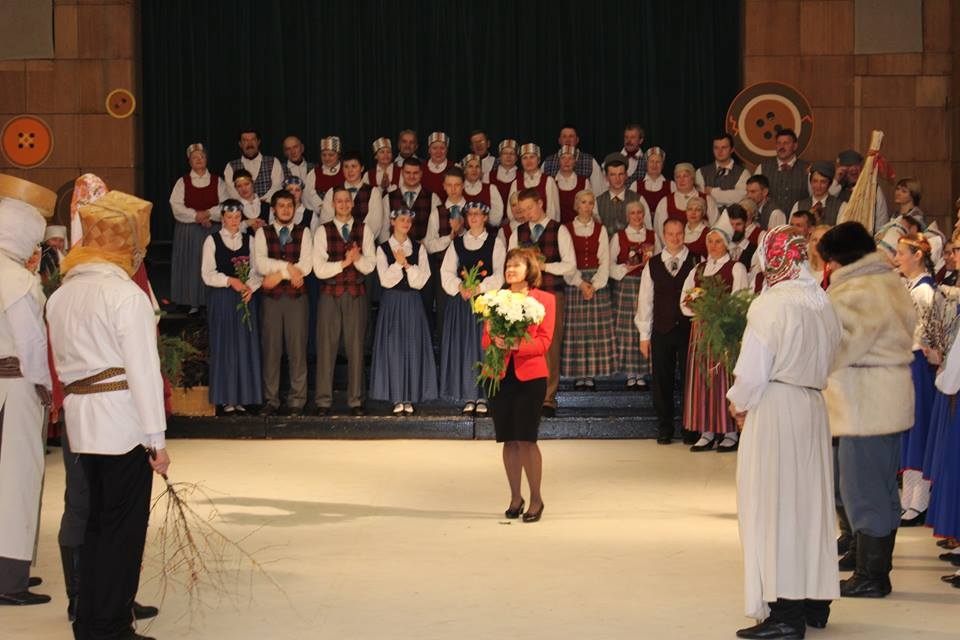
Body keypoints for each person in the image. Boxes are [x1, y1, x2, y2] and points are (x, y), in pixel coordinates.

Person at [48, 188, 169, 640]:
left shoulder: (62, 295)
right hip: (122, 427)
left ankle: (91, 621)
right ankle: (113, 625)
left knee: (96, 525)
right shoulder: (125, 296)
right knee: (122, 531)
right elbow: (142, 370)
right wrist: (156, 440)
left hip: (81, 425)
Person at [728, 225, 842, 640]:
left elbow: (753, 371)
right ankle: (815, 600)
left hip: (776, 408)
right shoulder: (821, 302)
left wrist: (738, 402)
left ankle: (786, 613)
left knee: (775, 504)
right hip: (812, 406)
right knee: (809, 504)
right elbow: (833, 354)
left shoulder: (770, 305)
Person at [818, 221, 915, 598]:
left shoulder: (859, 291)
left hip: (865, 402)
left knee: (863, 489)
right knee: (881, 486)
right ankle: (868, 561)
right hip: (884, 397)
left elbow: (839, 346)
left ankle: (872, 575)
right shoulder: (887, 281)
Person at [0, 176, 54, 607]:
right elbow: (32, 346)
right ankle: (10, 578)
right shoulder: (17, 282)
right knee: (16, 480)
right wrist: (47, 389)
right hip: (15, 390)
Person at [483, 247, 556, 523]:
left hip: (531, 375)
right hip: (500, 373)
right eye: (508, 265)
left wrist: (516, 344)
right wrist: (495, 339)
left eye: (517, 265)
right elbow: (485, 340)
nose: (510, 269)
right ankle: (516, 497)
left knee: (526, 438)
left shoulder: (545, 300)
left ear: (530, 270)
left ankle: (536, 499)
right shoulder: (496, 299)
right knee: (508, 439)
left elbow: (544, 342)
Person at [680, 213, 749, 452]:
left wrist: (722, 314)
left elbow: (740, 300)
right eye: (710, 241)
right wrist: (697, 307)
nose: (713, 245)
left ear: (727, 243)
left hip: (724, 331)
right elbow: (684, 301)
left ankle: (729, 430)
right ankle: (706, 430)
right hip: (701, 332)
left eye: (718, 241)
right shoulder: (698, 268)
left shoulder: (736, 268)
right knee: (701, 380)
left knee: (723, 379)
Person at [508, 188, 576, 417]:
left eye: (529, 208)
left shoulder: (559, 229)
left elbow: (570, 265)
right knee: (522, 345)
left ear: (540, 203)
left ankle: (547, 398)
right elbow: (510, 264)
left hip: (551, 295)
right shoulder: (517, 232)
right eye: (522, 209)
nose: (526, 213)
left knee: (549, 347)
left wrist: (544, 267)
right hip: (524, 297)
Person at [312, 186, 377, 416]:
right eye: (338, 201)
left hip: (356, 294)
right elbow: (319, 269)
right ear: (333, 204)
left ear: (352, 204)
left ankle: (356, 401)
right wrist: (344, 263)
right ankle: (323, 401)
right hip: (330, 294)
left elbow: (370, 265)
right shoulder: (323, 231)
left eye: (346, 201)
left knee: (356, 348)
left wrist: (357, 259)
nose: (343, 204)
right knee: (326, 348)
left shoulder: (364, 230)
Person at [636, 218, 700, 444]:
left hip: (688, 331)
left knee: (689, 381)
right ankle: (664, 427)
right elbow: (645, 301)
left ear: (685, 234)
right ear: (664, 235)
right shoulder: (652, 264)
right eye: (671, 234)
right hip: (661, 330)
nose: (675, 238)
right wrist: (644, 336)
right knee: (662, 381)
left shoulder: (695, 261)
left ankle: (690, 427)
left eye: (679, 233)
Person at [370, 208, 438, 415]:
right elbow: (385, 280)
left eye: (409, 220)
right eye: (402, 219)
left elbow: (421, 280)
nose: (406, 223)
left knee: (412, 346)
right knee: (393, 347)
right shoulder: (383, 249)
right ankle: (396, 396)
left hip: (412, 302)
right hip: (392, 303)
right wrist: (398, 265)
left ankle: (410, 396)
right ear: (392, 221)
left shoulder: (418, 248)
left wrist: (406, 265)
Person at [439, 201, 505, 414]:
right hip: (462, 305)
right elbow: (446, 272)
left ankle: (484, 397)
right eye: (471, 214)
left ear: (485, 217)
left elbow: (499, 274)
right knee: (464, 348)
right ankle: (468, 395)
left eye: (479, 214)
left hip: (485, 304)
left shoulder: (495, 242)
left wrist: (480, 288)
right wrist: (460, 287)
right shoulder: (457, 243)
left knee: (484, 348)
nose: (474, 218)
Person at [254, 189, 313, 417]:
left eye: (290, 205)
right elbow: (260, 264)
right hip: (271, 300)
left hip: (297, 300)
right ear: (273, 209)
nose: (286, 209)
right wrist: (288, 267)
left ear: (295, 208)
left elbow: (306, 266)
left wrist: (279, 274)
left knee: (297, 350)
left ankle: (297, 400)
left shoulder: (304, 232)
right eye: (281, 206)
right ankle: (271, 399)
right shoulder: (263, 233)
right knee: (271, 350)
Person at [201, 200, 263, 414]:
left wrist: (250, 287)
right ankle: (226, 397)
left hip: (245, 298)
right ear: (222, 218)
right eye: (229, 217)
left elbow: (257, 270)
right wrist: (230, 280)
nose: (234, 221)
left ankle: (244, 396)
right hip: (223, 299)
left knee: (245, 346)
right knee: (225, 346)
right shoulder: (212, 240)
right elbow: (207, 274)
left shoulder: (250, 240)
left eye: (237, 217)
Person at [893, 233, 937, 526]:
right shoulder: (910, 287)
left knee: (917, 430)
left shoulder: (924, 292)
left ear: (917, 255)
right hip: (908, 363)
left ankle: (919, 502)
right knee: (909, 431)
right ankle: (909, 500)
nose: (897, 259)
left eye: (901, 253)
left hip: (919, 364)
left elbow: (929, 333)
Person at [562, 191, 615, 389]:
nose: (587, 206)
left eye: (590, 203)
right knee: (576, 330)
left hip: (595, 282)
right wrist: (579, 282)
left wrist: (595, 284)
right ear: (576, 205)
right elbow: (566, 260)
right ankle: (578, 374)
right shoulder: (566, 229)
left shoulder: (600, 229)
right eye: (583, 202)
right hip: (575, 281)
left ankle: (591, 373)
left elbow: (604, 260)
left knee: (593, 330)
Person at [170, 143, 226, 313]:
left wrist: (208, 214)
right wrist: (196, 216)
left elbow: (224, 204)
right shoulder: (183, 182)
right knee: (192, 264)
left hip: (212, 229)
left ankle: (212, 301)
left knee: (210, 263)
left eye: (202, 157)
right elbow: (176, 205)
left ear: (206, 159)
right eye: (195, 158)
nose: (199, 160)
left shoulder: (218, 181)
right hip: (189, 232)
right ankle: (191, 301)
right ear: (189, 161)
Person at [611, 200, 655, 389]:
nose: (637, 216)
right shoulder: (619, 236)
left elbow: (659, 260)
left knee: (645, 325)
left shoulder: (652, 236)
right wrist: (626, 268)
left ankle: (643, 371)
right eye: (633, 213)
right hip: (627, 285)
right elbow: (610, 266)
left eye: (640, 213)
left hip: (647, 284)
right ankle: (630, 372)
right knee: (628, 329)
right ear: (627, 216)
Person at [425, 167, 468, 336]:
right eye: (449, 185)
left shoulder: (472, 210)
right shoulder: (437, 212)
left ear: (463, 186)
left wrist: (462, 231)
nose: (453, 189)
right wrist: (450, 237)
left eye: (457, 185)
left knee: (467, 312)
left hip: (468, 269)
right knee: (444, 313)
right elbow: (429, 244)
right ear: (443, 186)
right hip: (442, 269)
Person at [320, 150, 385, 241]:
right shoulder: (332, 192)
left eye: (354, 166)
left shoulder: (373, 192)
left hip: (364, 245)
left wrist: (356, 242)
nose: (350, 171)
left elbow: (375, 225)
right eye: (346, 167)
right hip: (336, 244)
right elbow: (326, 220)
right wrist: (341, 241)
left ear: (362, 168)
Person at [653, 163, 718, 244]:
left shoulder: (707, 200)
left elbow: (716, 229)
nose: (681, 180)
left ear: (693, 178)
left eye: (685, 176)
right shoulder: (665, 202)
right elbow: (659, 231)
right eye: (678, 177)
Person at [753, 128, 810, 213]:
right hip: (769, 221)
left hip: (797, 222)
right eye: (778, 143)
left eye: (786, 143)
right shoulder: (763, 167)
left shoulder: (807, 169)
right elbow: (753, 195)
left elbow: (816, 196)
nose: (781, 147)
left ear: (795, 146)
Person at [385, 158, 440, 244]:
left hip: (424, 249)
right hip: (395, 249)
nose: (411, 176)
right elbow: (384, 229)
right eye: (408, 173)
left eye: (415, 173)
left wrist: (424, 245)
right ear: (402, 172)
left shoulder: (433, 198)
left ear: (421, 173)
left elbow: (435, 229)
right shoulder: (388, 197)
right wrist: (390, 247)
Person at [541, 124, 605, 194]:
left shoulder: (590, 161)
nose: (567, 140)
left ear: (577, 140)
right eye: (564, 136)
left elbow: (598, 190)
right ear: (559, 140)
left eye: (571, 136)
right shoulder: (548, 162)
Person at [224, 129, 282, 202]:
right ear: (240, 144)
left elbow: (277, 187)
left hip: (268, 208)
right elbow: (231, 191)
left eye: (253, 140)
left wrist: (259, 203)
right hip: (242, 210)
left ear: (258, 142)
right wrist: (247, 204)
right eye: (245, 140)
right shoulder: (230, 166)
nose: (249, 144)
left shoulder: (273, 162)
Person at [695, 134, 750, 208]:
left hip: (733, 217)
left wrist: (712, 192)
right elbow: (701, 199)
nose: (719, 151)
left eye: (724, 147)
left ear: (732, 149)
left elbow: (741, 197)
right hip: (709, 217)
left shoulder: (743, 173)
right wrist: (729, 196)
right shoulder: (701, 172)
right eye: (716, 148)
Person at [510, 143, 560, 222]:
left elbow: (553, 211)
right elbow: (511, 211)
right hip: (523, 228)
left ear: (539, 160)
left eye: (532, 157)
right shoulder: (515, 183)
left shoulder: (548, 181)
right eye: (525, 158)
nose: (528, 161)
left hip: (544, 229)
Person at [596, 157, 641, 236]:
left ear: (626, 175)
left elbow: (647, 231)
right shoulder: (597, 202)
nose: (617, 179)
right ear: (606, 177)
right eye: (613, 175)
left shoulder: (638, 199)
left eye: (621, 174)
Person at [631, 147, 673, 221]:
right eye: (651, 161)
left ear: (662, 165)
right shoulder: (636, 185)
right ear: (646, 164)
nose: (654, 165)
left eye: (658, 162)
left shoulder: (671, 185)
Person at [462, 154, 504, 226]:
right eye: (470, 166)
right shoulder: (459, 189)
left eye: (477, 167)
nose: (474, 170)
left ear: (481, 170)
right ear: (465, 170)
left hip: (487, 232)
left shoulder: (491, 189)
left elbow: (497, 216)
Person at [554, 145, 589, 224]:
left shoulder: (583, 182)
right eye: (563, 158)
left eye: (570, 158)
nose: (566, 161)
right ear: (559, 160)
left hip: (578, 227)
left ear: (575, 161)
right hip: (557, 228)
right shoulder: (551, 181)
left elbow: (590, 208)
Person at [232, 169, 270, 235]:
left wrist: (264, 226)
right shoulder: (234, 209)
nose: (243, 189)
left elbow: (276, 229)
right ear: (236, 188)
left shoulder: (267, 206)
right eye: (239, 186)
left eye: (246, 184)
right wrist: (246, 223)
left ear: (252, 183)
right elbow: (230, 232)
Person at [313, 136, 344, 203]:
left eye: (331, 155)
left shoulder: (346, 170)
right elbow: (309, 194)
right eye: (324, 155)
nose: (327, 158)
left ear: (338, 155)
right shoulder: (314, 172)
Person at [490, 139, 519, 207]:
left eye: (512, 153)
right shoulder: (488, 176)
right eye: (505, 153)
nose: (508, 156)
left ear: (516, 158)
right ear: (500, 156)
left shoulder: (523, 177)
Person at [421, 131, 451, 196]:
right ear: (429, 150)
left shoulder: (454, 168)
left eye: (442, 148)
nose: (438, 152)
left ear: (447, 150)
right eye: (435, 148)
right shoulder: (421, 168)